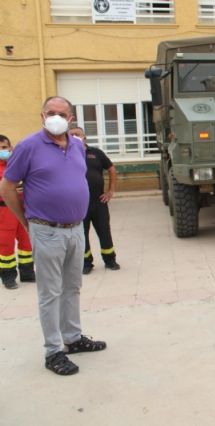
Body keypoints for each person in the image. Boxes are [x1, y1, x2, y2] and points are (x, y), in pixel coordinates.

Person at [0, 96, 107, 376]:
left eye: (62, 113)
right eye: (51, 112)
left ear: (71, 118)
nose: (56, 117)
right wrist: (26, 222)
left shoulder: (76, 146)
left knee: (72, 287)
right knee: (50, 293)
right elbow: (8, 187)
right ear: (42, 115)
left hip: (75, 229)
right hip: (46, 230)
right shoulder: (28, 146)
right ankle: (53, 351)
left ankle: (72, 339)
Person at [68, 126, 120, 274]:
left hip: (98, 202)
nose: (75, 137)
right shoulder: (66, 154)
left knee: (104, 231)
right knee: (81, 235)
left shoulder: (96, 153)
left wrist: (110, 191)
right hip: (78, 204)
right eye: (71, 135)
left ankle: (110, 260)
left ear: (85, 137)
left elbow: (111, 169)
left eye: (78, 134)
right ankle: (86, 263)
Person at [0, 135, 35, 289]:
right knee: (5, 245)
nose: (2, 151)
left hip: (24, 208)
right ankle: (8, 276)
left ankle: (27, 273)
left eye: (4, 147)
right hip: (4, 210)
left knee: (27, 242)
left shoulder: (17, 164)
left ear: (10, 148)